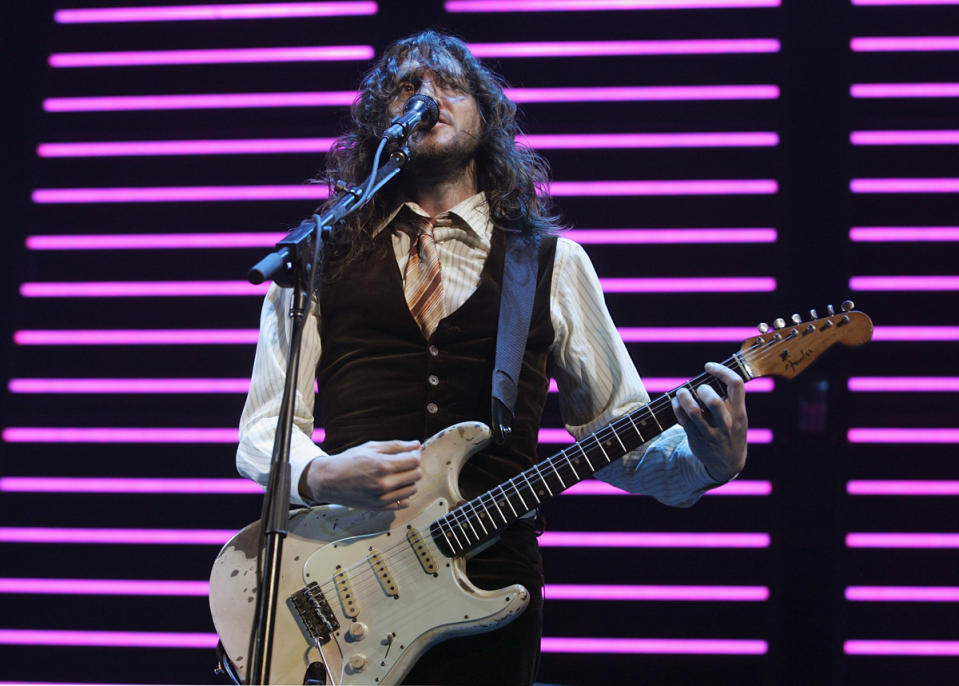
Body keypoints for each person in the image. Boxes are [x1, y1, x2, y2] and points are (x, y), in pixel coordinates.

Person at [237, 30, 748, 686]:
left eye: (450, 86)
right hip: (341, 585)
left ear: (487, 114)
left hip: (488, 590)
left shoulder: (552, 262)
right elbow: (262, 432)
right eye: (405, 89)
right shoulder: (315, 261)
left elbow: (613, 436)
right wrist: (320, 476)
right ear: (377, 125)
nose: (428, 99)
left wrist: (707, 463)